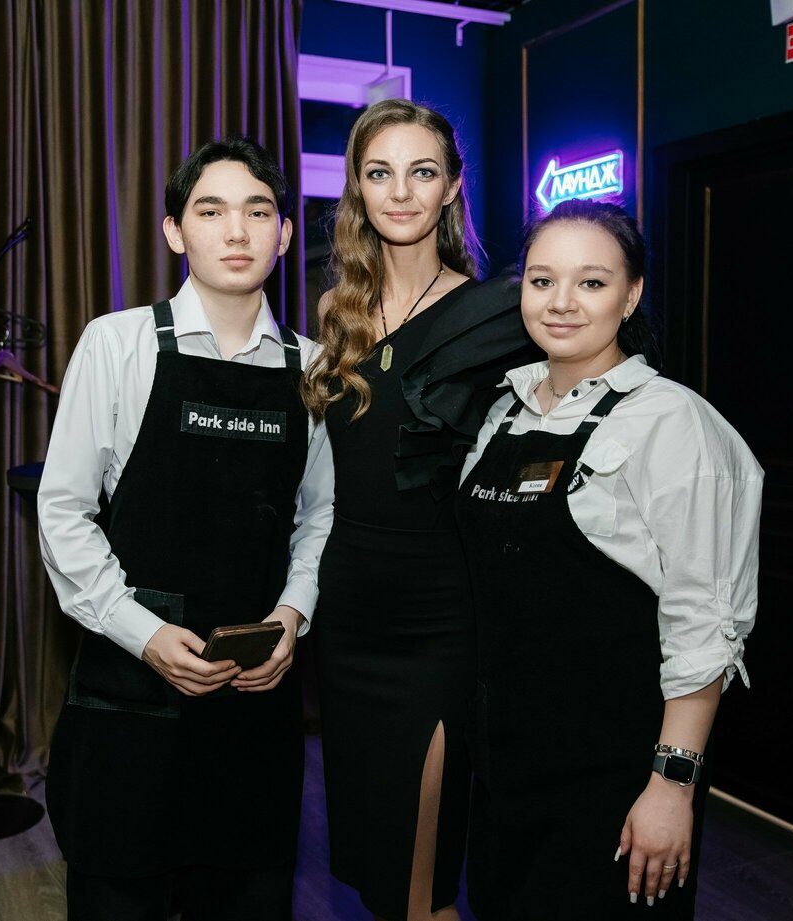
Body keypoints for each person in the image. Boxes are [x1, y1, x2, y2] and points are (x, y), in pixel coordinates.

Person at [37, 137, 334, 921]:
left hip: (255, 704)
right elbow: (62, 512)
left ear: (284, 234)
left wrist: (291, 615)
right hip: (130, 697)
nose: (236, 231)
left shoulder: (313, 367)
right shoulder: (117, 343)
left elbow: (322, 515)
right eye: (211, 211)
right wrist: (143, 634)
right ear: (175, 230)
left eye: (258, 212)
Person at [453, 199, 762, 920]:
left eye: (591, 282)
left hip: (616, 774)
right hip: (504, 764)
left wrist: (672, 785)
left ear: (631, 295)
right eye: (542, 281)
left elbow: (704, 623)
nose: (561, 302)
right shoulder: (504, 413)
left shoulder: (673, 421)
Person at [301, 99, 536, 921]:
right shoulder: (336, 314)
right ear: (357, 189)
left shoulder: (499, 313)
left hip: (441, 612)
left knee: (424, 876)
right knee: (375, 859)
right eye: (380, 172)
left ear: (453, 187)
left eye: (422, 171)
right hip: (347, 612)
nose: (400, 192)